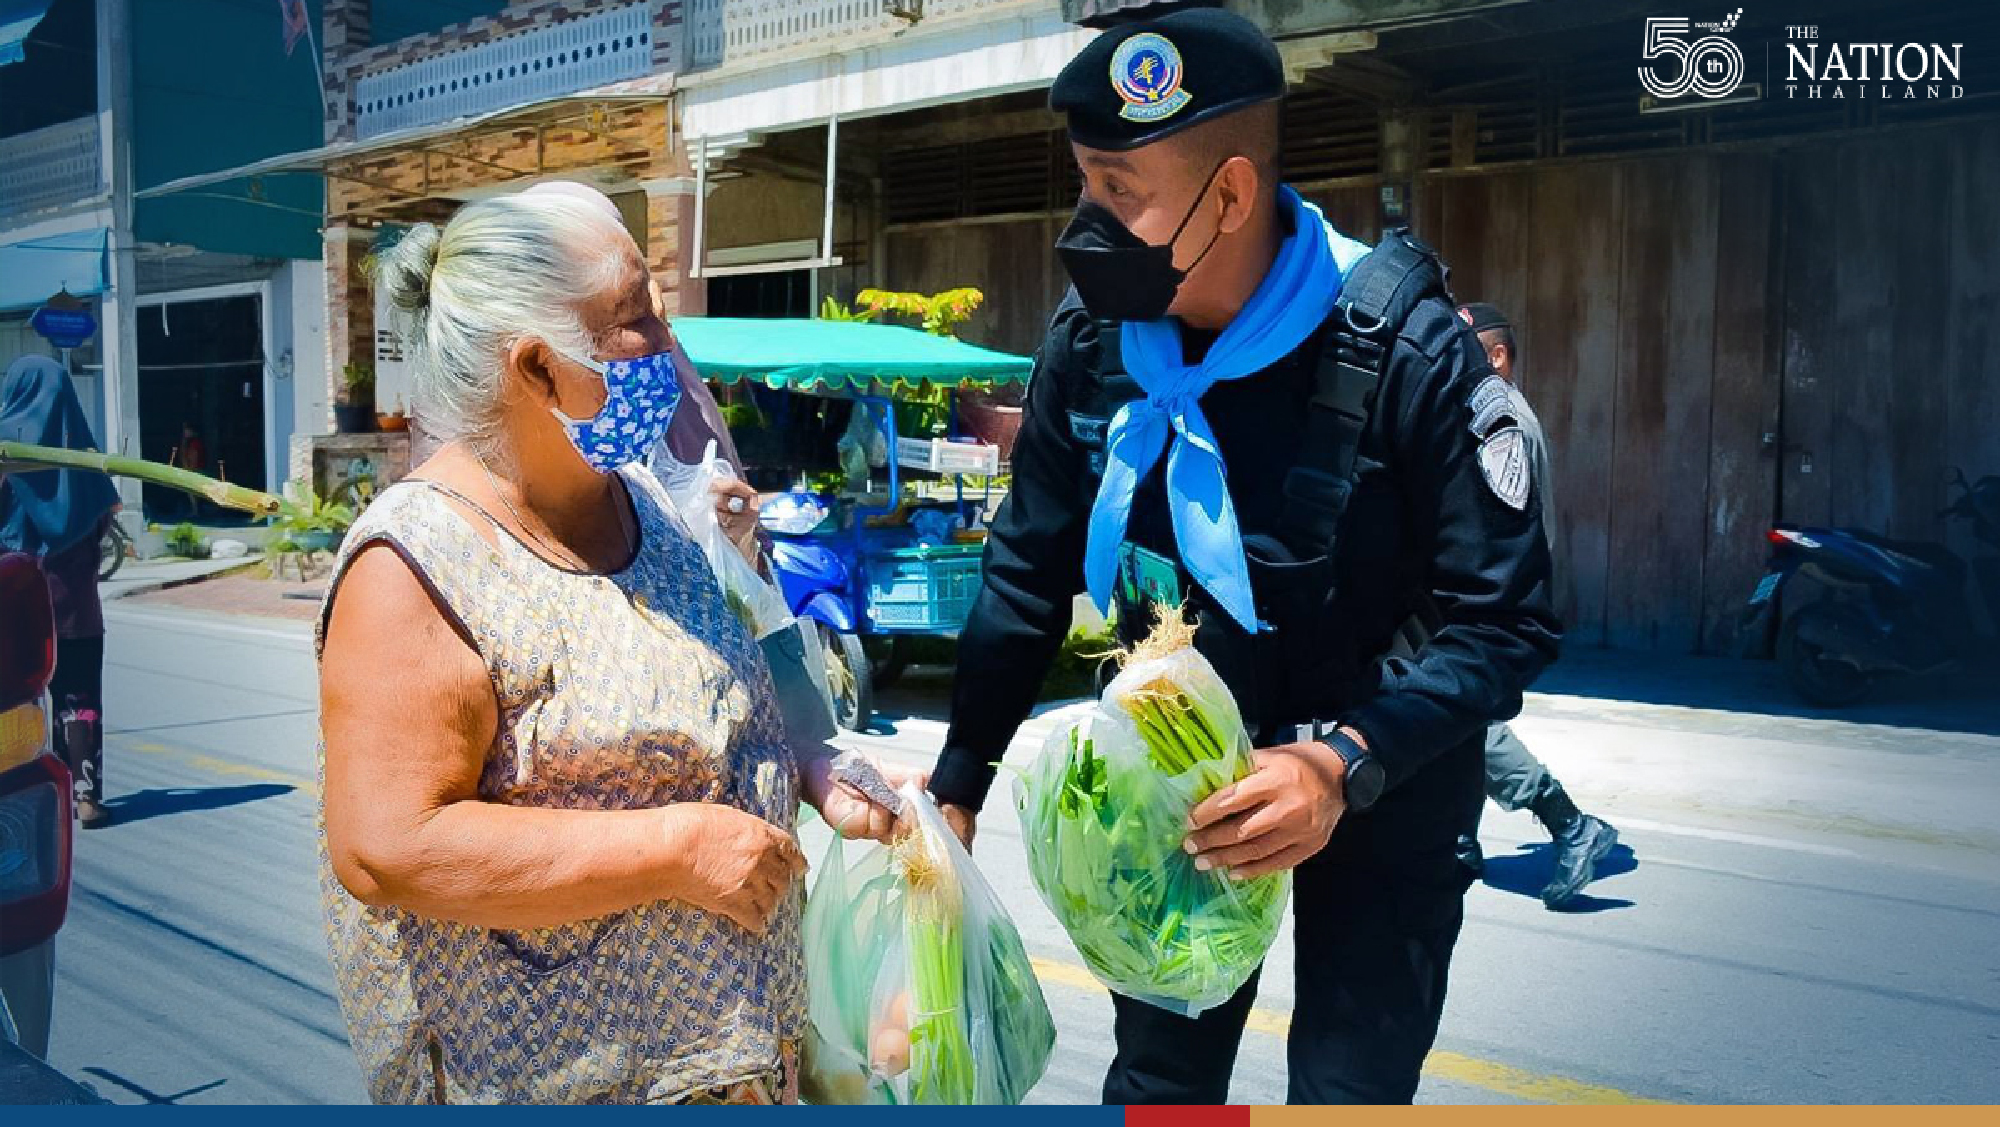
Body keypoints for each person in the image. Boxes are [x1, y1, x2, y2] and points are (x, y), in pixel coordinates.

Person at [926, 9, 1561, 1105]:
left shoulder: (1405, 347)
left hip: (1380, 785)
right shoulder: (1092, 345)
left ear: (1228, 194)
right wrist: (956, 784)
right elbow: (1026, 574)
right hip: (1171, 787)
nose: (1087, 220)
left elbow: (1503, 619)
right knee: (1163, 1083)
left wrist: (1340, 762)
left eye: (1119, 191)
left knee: (1347, 1084)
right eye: (1085, 182)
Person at [316, 188, 911, 1104]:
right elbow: (388, 845)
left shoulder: (648, 505)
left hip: (732, 1068)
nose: (667, 342)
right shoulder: (416, 565)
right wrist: (676, 849)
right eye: (634, 320)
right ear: (538, 369)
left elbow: (723, 687)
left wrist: (810, 767)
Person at [1455, 302, 1619, 909]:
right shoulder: (1482, 413)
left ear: (1496, 357)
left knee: (1468, 722)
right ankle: (1459, 847)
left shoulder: (1503, 422)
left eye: (1464, 348)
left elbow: (1501, 531)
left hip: (1493, 606)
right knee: (1453, 726)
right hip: (1486, 601)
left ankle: (1572, 826)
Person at [0, 356, 119, 827]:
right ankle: (85, 795)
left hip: (16, 608)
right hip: (76, 608)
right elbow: (107, 516)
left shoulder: (5, 454)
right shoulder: (84, 457)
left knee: (19, 699)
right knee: (80, 696)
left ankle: (27, 794)